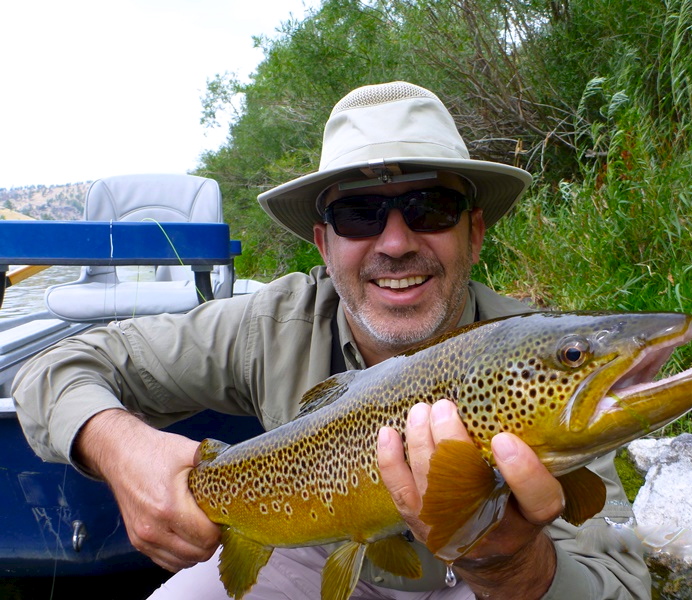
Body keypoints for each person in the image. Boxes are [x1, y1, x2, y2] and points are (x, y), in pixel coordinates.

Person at [13, 81, 651, 599]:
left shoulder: (546, 358)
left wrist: (512, 569)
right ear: (323, 243)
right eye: (359, 213)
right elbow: (52, 369)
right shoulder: (272, 323)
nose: (396, 243)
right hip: (318, 560)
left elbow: (623, 587)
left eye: (430, 207)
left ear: (473, 233)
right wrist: (120, 448)